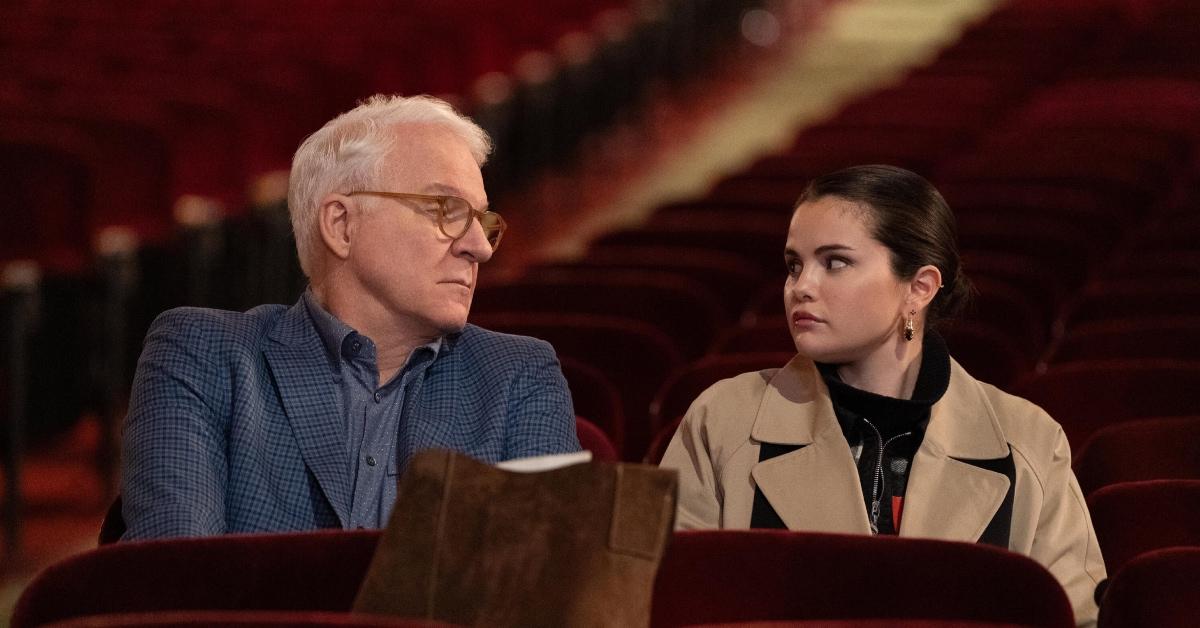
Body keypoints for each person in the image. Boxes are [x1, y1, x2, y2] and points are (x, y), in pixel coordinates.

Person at [659, 165, 1105, 625]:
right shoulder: (722, 419)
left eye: (835, 262)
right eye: (795, 264)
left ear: (919, 287)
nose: (800, 287)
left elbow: (1077, 616)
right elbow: (662, 605)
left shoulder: (1028, 440)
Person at [121, 94, 580, 540]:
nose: (478, 247)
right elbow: (174, 582)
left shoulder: (518, 376)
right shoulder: (203, 356)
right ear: (342, 224)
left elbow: (539, 593)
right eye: (447, 210)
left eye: (482, 221)